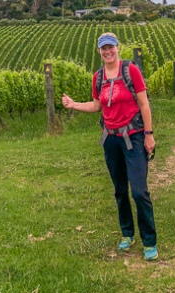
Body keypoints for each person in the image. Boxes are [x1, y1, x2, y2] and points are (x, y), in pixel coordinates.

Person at [62, 32, 158, 261]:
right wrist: (74, 105)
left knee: (138, 191)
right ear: (99, 51)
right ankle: (127, 234)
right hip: (111, 139)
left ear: (117, 48)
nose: (107, 52)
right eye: (103, 48)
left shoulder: (130, 70)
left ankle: (149, 241)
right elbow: (97, 106)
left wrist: (148, 134)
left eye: (111, 47)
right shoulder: (98, 77)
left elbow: (144, 104)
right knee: (119, 190)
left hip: (134, 138)